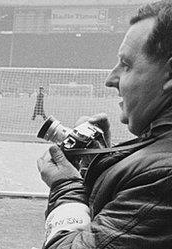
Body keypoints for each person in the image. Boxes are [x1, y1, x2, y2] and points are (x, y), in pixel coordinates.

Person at [37, 1, 172, 247]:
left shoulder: (163, 176)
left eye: (127, 64)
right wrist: (101, 165)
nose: (111, 79)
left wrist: (66, 187)